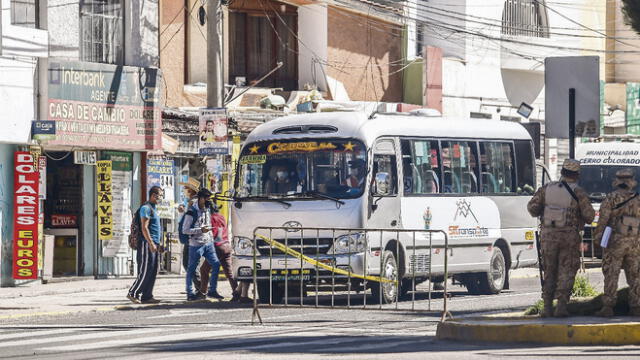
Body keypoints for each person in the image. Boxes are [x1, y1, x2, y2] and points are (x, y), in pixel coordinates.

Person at [527, 159, 595, 317]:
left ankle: (547, 307)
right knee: (567, 270)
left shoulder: (546, 189)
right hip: (569, 237)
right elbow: (590, 216)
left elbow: (532, 208)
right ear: (577, 175)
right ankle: (561, 306)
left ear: (562, 172)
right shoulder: (578, 192)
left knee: (549, 270)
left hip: (548, 236)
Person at [593, 169, 640, 317]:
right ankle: (636, 307)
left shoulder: (611, 199)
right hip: (635, 244)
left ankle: (608, 307)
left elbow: (602, 222)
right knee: (635, 276)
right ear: (632, 182)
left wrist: (597, 239)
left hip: (615, 243)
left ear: (617, 181)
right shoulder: (638, 199)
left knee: (611, 274)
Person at [182, 188, 223, 301]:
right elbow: (185, 230)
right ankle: (190, 294)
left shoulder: (207, 209)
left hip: (208, 243)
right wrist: (200, 230)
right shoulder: (191, 212)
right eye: (206, 199)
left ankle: (212, 291)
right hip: (196, 244)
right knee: (191, 269)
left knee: (216, 264)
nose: (208, 201)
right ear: (200, 198)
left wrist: (210, 237)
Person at [127, 186, 164, 304]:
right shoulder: (146, 208)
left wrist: (159, 243)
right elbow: (144, 228)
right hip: (146, 243)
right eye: (160, 195)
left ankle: (147, 296)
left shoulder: (154, 208)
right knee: (146, 270)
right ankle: (133, 293)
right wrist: (151, 243)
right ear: (153, 195)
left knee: (153, 270)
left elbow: (155, 229)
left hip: (154, 243)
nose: (161, 198)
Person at [199, 202, 239, 301]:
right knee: (229, 272)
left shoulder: (210, 218)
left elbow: (210, 234)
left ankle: (203, 293)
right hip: (226, 246)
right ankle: (237, 293)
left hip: (217, 247)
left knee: (204, 270)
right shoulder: (221, 217)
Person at [178, 177, 201, 291]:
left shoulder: (194, 203)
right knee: (190, 264)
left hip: (192, 238)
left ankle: (201, 287)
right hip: (191, 237)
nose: (184, 190)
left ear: (191, 190)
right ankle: (200, 287)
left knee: (189, 264)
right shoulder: (191, 202)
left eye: (185, 188)